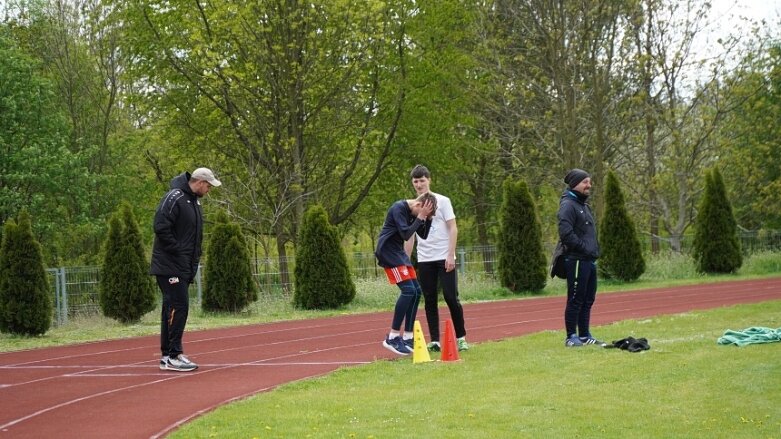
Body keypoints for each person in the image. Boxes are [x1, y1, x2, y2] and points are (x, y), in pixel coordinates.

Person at [151, 167, 222, 371]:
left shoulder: (194, 201)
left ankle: (167, 355)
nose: (208, 190)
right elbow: (160, 226)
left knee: (171, 308)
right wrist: (178, 251)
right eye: (208, 186)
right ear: (199, 182)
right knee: (178, 306)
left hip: (181, 265)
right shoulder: (174, 197)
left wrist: (190, 262)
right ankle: (174, 355)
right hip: (169, 264)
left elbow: (193, 236)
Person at [405, 165, 469, 352]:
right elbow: (409, 235)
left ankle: (461, 338)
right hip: (425, 259)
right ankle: (434, 340)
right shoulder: (412, 206)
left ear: (429, 180)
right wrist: (406, 260)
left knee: (451, 297)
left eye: (422, 180)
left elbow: (453, 227)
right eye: (415, 181)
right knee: (430, 298)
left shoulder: (443, 201)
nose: (419, 184)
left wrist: (450, 254)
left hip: (444, 257)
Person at [375, 192, 437, 355]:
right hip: (388, 252)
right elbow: (406, 234)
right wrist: (421, 217)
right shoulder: (398, 208)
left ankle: (408, 337)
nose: (423, 216)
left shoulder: (417, 212)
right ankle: (393, 337)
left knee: (416, 292)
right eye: (423, 212)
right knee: (408, 291)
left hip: (398, 253)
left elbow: (422, 234)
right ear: (418, 205)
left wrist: (428, 219)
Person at [558, 168, 604, 347]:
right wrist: (583, 248)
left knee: (588, 298)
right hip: (577, 259)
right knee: (576, 298)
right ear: (575, 183)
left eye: (589, 182)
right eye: (585, 182)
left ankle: (584, 335)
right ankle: (571, 336)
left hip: (589, 260)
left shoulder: (584, 205)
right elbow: (565, 233)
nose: (589, 185)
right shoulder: (568, 205)